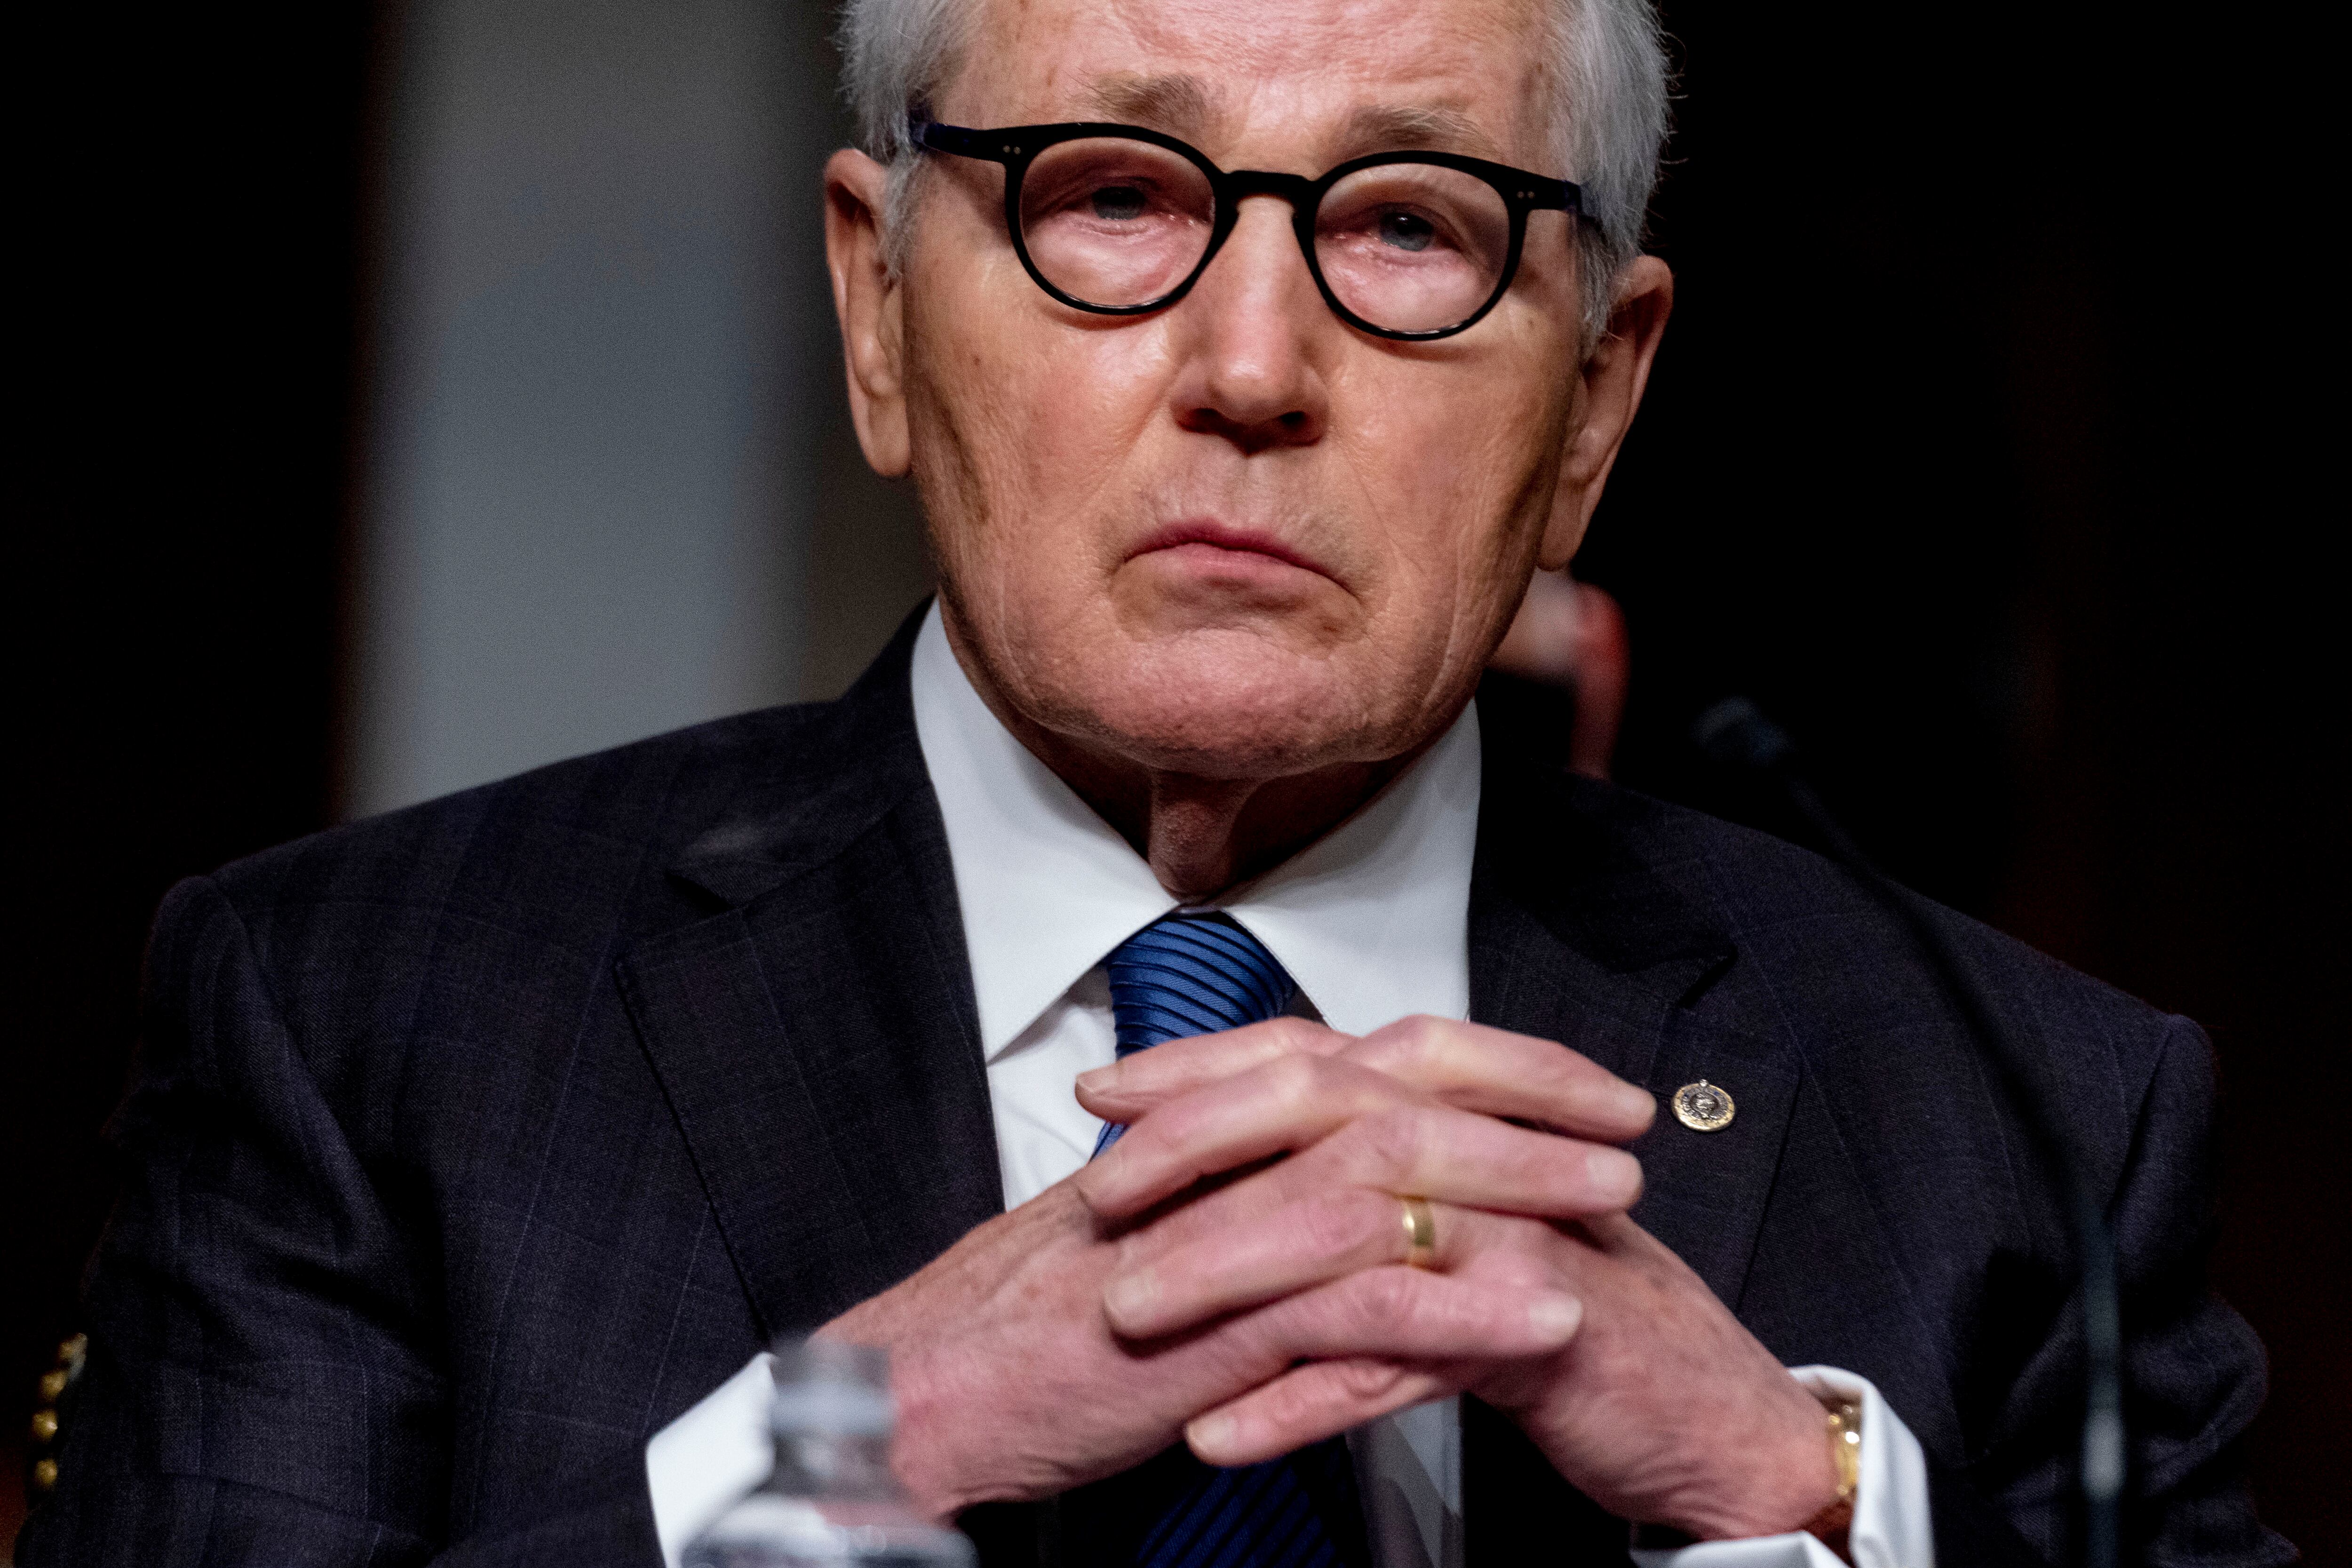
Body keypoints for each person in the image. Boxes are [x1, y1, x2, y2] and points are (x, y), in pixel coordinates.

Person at [18, 0, 2291, 1563]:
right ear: (879, 311)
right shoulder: (357, 1023)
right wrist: (859, 1441)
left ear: (1593, 401)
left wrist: (1791, 1493)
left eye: (1407, 223)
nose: (1248, 366)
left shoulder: (2024, 1127)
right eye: (1112, 195)